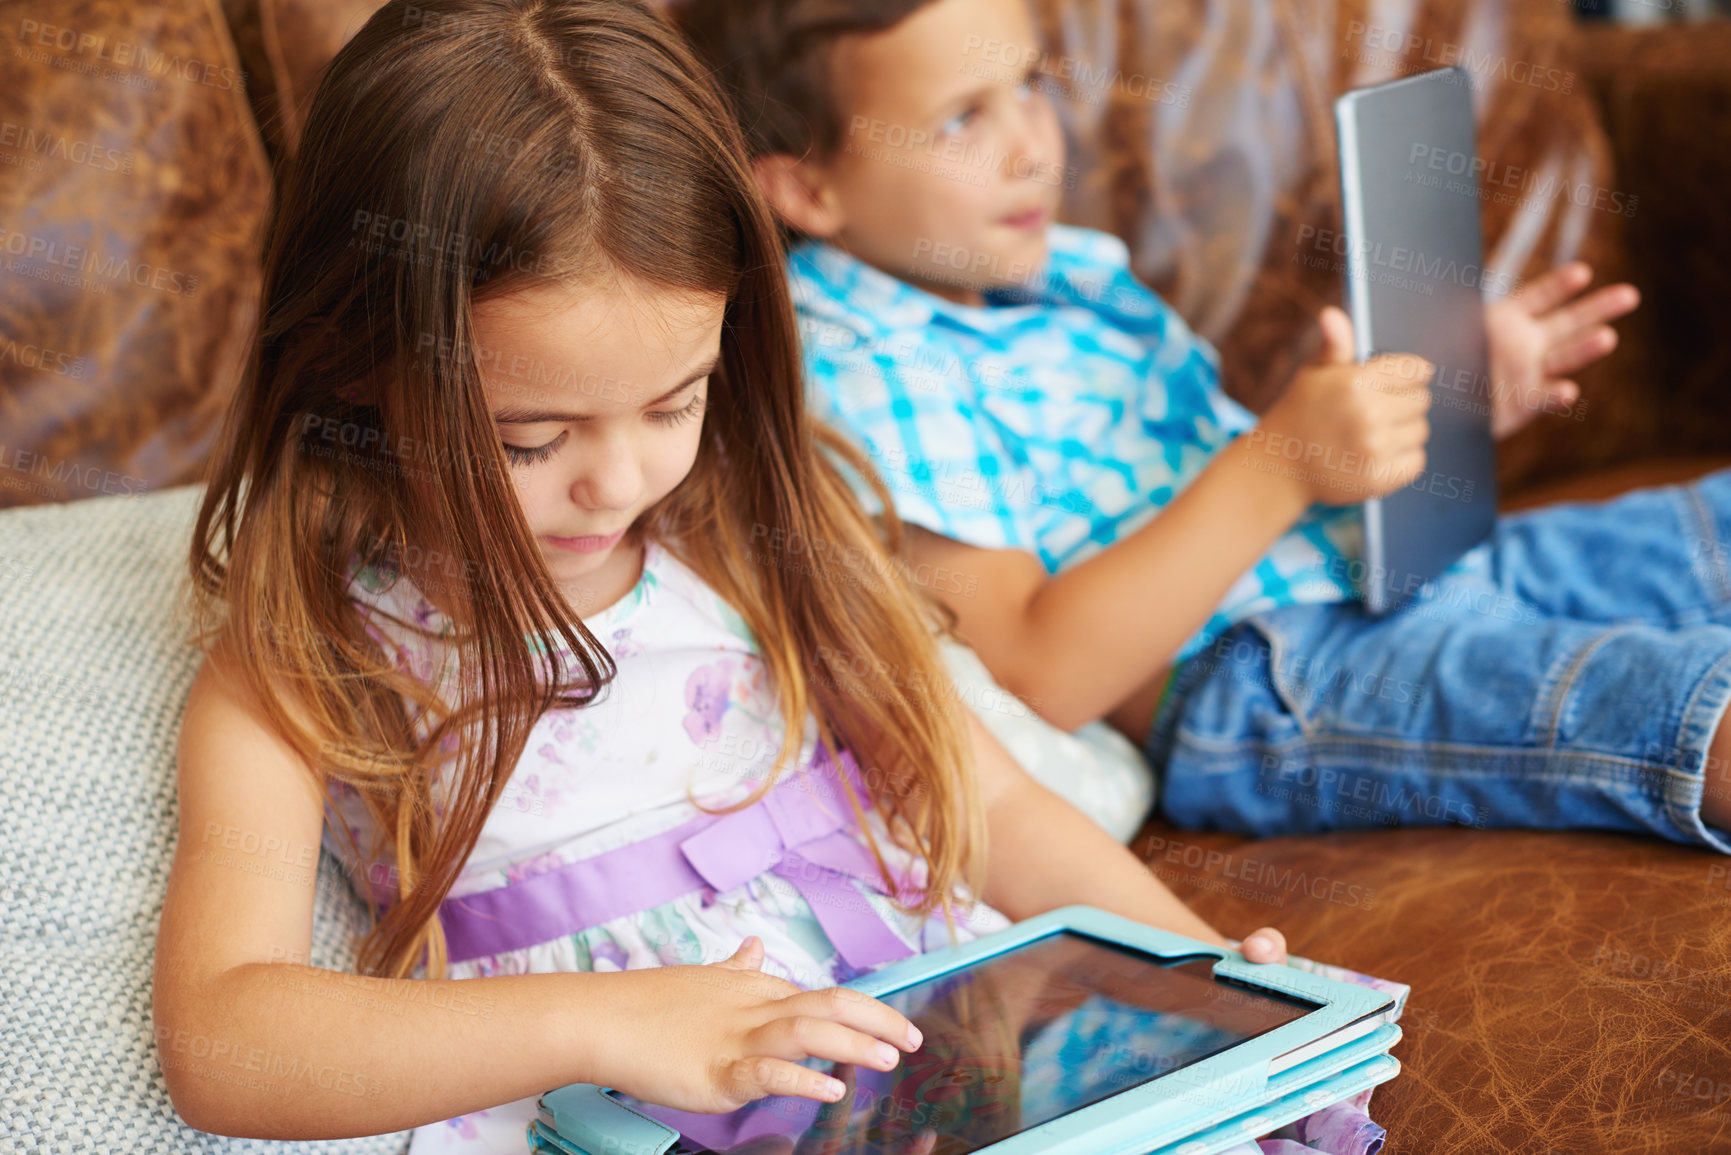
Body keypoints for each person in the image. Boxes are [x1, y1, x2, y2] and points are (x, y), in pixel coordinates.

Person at [150, 1, 1288, 1152]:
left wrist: (1202, 971)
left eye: (673, 403)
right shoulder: (313, 656)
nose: (617, 480)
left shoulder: (751, 532)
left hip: (938, 1057)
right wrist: (602, 1022)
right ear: (359, 362)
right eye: (530, 438)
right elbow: (225, 1038)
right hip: (637, 1115)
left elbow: (989, 803)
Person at [671, 0, 1731, 852]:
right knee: (1658, 706)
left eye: (1030, 86)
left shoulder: (1054, 275)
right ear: (806, 187)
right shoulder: (859, 366)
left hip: (1363, 565)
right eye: (963, 119)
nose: (1032, 147)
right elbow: (1041, 673)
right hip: (1257, 676)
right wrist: (1279, 466)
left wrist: (1439, 410)